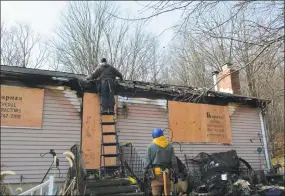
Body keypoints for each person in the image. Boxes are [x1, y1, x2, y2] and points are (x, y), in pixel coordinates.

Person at [144, 128, 178, 196]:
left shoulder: (151, 147)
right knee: (167, 193)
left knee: (156, 193)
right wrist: (176, 174)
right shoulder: (170, 146)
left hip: (156, 176)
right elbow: (174, 162)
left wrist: (144, 173)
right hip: (167, 174)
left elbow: (147, 162)